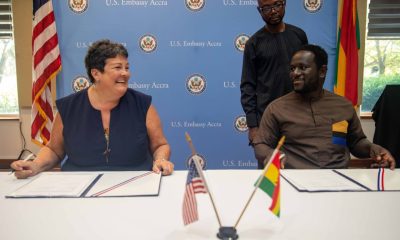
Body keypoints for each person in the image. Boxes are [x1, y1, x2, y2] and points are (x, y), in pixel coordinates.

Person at [11, 39, 174, 178]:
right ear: (96, 73)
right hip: (78, 187)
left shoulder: (143, 104)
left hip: (135, 182)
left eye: (127, 67)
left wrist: (160, 159)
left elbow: (160, 145)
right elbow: (54, 150)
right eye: (118, 67)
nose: (125, 73)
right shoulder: (69, 107)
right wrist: (36, 165)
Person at [254, 44, 396, 169]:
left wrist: (373, 148)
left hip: (338, 180)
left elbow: (356, 143)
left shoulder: (343, 106)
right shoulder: (276, 108)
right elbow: (261, 145)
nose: (295, 74)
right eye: (292, 69)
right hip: (293, 180)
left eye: (303, 68)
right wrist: (270, 153)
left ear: (322, 71)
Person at [240, 0, 308, 162]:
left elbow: (308, 74)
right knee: (270, 176)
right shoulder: (254, 43)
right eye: (267, 8)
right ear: (259, 11)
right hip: (267, 120)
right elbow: (248, 86)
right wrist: (253, 126)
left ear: (284, 4)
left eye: (277, 5)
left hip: (299, 116)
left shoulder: (299, 35)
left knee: (301, 171)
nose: (273, 11)